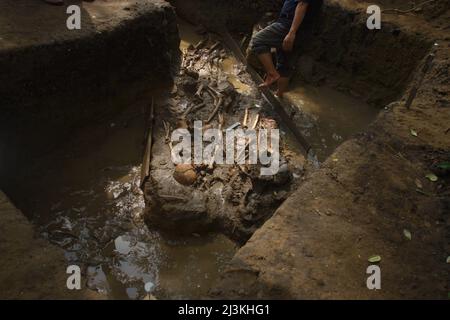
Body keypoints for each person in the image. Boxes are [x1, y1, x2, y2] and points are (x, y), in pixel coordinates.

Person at [249, 0, 321, 98]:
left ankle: (272, 73)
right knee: (285, 62)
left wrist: (292, 33)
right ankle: (279, 95)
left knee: (258, 41)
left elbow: (302, 4)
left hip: (289, 25)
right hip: (301, 29)